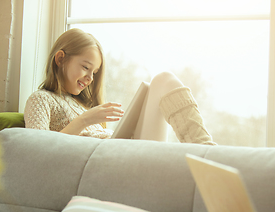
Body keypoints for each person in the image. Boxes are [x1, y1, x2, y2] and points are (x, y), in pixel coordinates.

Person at [24, 28, 216, 145]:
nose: (90, 78)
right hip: (112, 161)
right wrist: (85, 120)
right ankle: (207, 154)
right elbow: (35, 150)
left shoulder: (81, 104)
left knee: (163, 80)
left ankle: (206, 151)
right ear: (60, 59)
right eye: (85, 67)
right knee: (163, 80)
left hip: (121, 151)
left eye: (94, 72)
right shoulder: (41, 99)